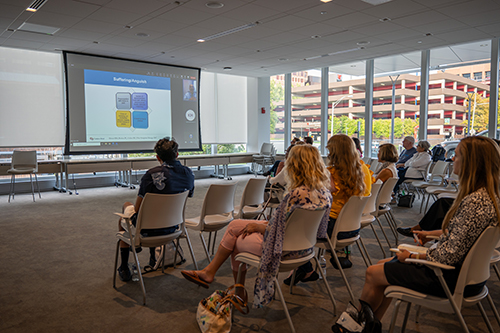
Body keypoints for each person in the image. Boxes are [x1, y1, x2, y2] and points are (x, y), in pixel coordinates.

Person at [345, 136, 500, 329]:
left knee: (373, 272)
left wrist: (412, 255)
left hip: (448, 278)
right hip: (469, 277)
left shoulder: (474, 202)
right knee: (381, 266)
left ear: (472, 163)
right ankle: (365, 326)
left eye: (457, 156)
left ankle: (355, 325)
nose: (452, 159)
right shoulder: (487, 197)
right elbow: (464, 237)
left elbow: (447, 255)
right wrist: (431, 234)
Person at [180, 145, 332, 308]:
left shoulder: (295, 195)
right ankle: (211, 273)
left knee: (238, 241)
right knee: (235, 225)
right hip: (305, 248)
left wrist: (259, 228)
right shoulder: (323, 192)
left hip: (284, 249)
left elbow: (279, 230)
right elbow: (289, 225)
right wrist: (261, 225)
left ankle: (233, 288)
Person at [285, 134, 373, 285]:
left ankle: (306, 269)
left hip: (332, 229)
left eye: (330, 150)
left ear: (334, 152)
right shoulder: (364, 168)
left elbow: (315, 196)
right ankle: (304, 269)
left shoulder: (331, 173)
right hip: (354, 227)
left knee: (291, 227)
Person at [116, 138, 195, 282]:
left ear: (158, 157)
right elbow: (188, 195)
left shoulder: (151, 175)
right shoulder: (188, 174)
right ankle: (139, 251)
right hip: (173, 228)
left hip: (147, 230)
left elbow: (138, 209)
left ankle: (125, 267)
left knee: (125, 210)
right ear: (177, 154)